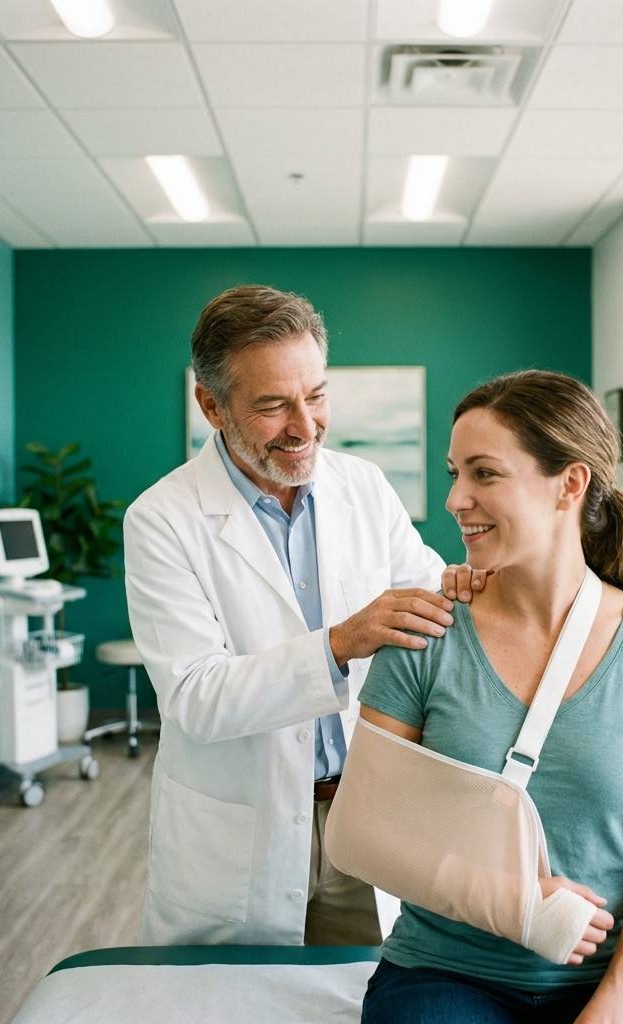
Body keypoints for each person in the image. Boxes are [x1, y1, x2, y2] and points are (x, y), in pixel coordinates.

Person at [123, 284, 485, 947]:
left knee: (359, 993)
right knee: (237, 1003)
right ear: (211, 405)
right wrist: (342, 642)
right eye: (272, 405)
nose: (305, 424)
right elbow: (196, 697)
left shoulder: (364, 488)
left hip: (363, 813)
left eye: (316, 396)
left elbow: (437, 598)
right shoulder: (161, 520)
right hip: (241, 831)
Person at [356, 370, 623, 1023]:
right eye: (453, 473)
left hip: (613, 973)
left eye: (484, 474)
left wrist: (608, 1012)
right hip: (446, 969)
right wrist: (510, 897)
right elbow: (366, 830)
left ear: (569, 484)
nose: (455, 499)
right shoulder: (425, 635)